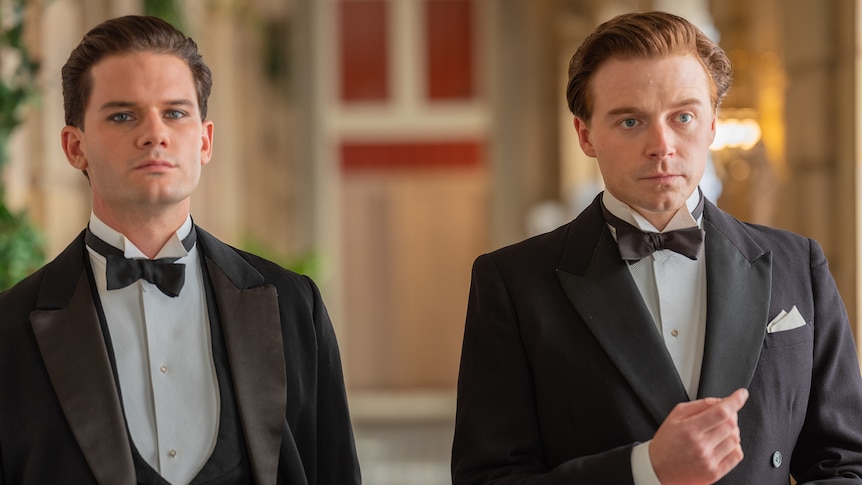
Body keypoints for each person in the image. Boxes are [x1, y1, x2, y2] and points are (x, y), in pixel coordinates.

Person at [452, 10, 862, 484]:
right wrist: (643, 470)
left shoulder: (800, 264)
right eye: (630, 121)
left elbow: (845, 463)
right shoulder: (512, 283)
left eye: (683, 116)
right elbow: (487, 479)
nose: (661, 145)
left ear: (712, 125)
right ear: (586, 135)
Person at [0, 15, 360, 484]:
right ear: (75, 147)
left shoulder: (293, 305)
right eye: (123, 115)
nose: (155, 134)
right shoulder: (8, 330)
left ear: (205, 140)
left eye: (175, 112)